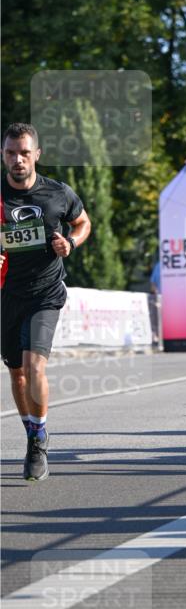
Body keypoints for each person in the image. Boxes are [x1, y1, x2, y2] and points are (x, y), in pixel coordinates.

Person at [1, 122, 91, 481]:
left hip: (46, 293)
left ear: (37, 154)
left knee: (34, 365)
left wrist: (70, 243)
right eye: (11, 153)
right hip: (7, 295)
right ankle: (33, 431)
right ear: (3, 155)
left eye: (24, 153)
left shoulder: (56, 193)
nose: (18, 159)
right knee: (17, 373)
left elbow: (83, 222)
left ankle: (37, 441)